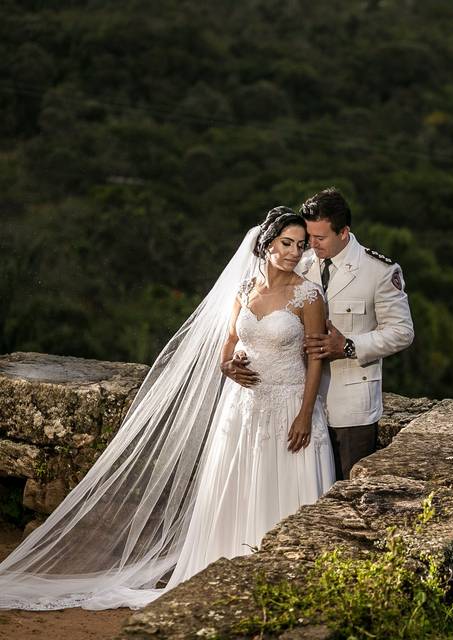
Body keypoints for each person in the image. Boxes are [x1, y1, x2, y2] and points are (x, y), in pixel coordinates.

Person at [0, 208, 335, 610]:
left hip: (288, 406)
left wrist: (303, 412)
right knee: (237, 485)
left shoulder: (308, 295)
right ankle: (227, 569)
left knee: (284, 488)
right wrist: (228, 366)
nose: (294, 252)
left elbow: (316, 357)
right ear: (266, 243)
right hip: (242, 407)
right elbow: (227, 344)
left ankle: (283, 580)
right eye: (286, 243)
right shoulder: (246, 289)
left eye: (300, 246)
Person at [300, 188, 414, 480]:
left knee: (350, 495)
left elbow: (402, 332)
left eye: (320, 238)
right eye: (309, 236)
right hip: (304, 402)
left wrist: (349, 346)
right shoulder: (301, 265)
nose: (311, 244)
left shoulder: (379, 270)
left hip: (353, 407)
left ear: (344, 232)